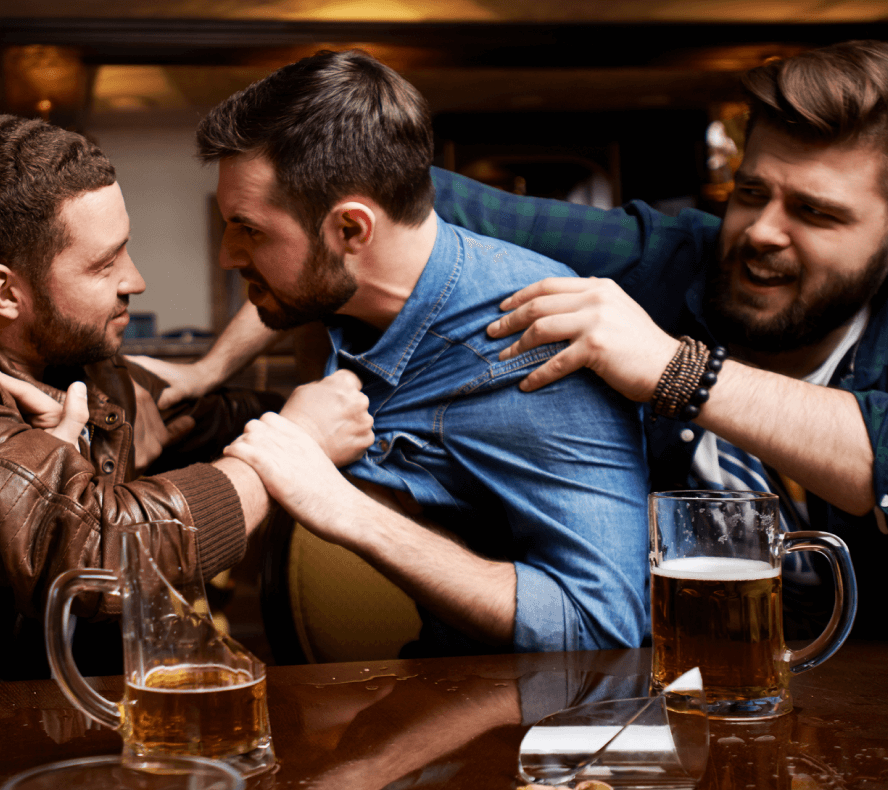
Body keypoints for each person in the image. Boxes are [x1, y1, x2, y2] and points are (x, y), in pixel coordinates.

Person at [194, 49, 651, 657]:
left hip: (523, 724)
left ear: (353, 231)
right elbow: (302, 290)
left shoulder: (530, 353)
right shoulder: (357, 280)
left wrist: (349, 510)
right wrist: (199, 377)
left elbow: (604, 625)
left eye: (248, 230)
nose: (228, 255)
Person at [430, 39, 888, 638]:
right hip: (652, 694)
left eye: (815, 212)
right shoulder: (674, 254)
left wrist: (675, 369)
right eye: (751, 194)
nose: (762, 233)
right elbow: (407, 203)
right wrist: (275, 307)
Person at [0, 114, 373, 679]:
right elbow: (97, 553)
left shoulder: (100, 379)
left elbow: (237, 417)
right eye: (104, 265)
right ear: (6, 293)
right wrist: (292, 447)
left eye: (125, 250)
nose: (135, 280)